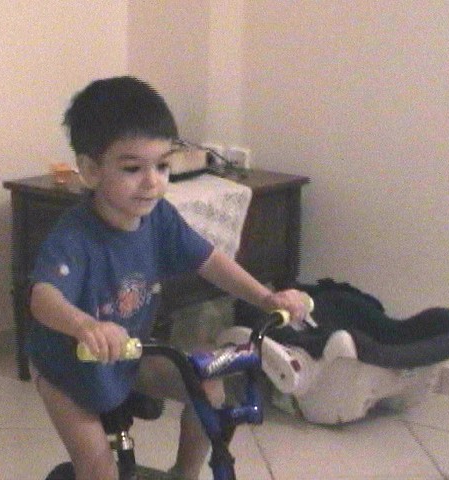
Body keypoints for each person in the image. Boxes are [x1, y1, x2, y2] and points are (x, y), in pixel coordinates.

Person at [27, 76, 309, 480]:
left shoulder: (159, 218)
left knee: (207, 387)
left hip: (129, 352)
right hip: (69, 367)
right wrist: (85, 326)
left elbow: (211, 261)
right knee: (98, 468)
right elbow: (43, 297)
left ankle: (184, 473)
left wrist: (267, 299)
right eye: (132, 168)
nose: (153, 181)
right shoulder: (75, 236)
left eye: (162, 165)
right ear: (90, 170)